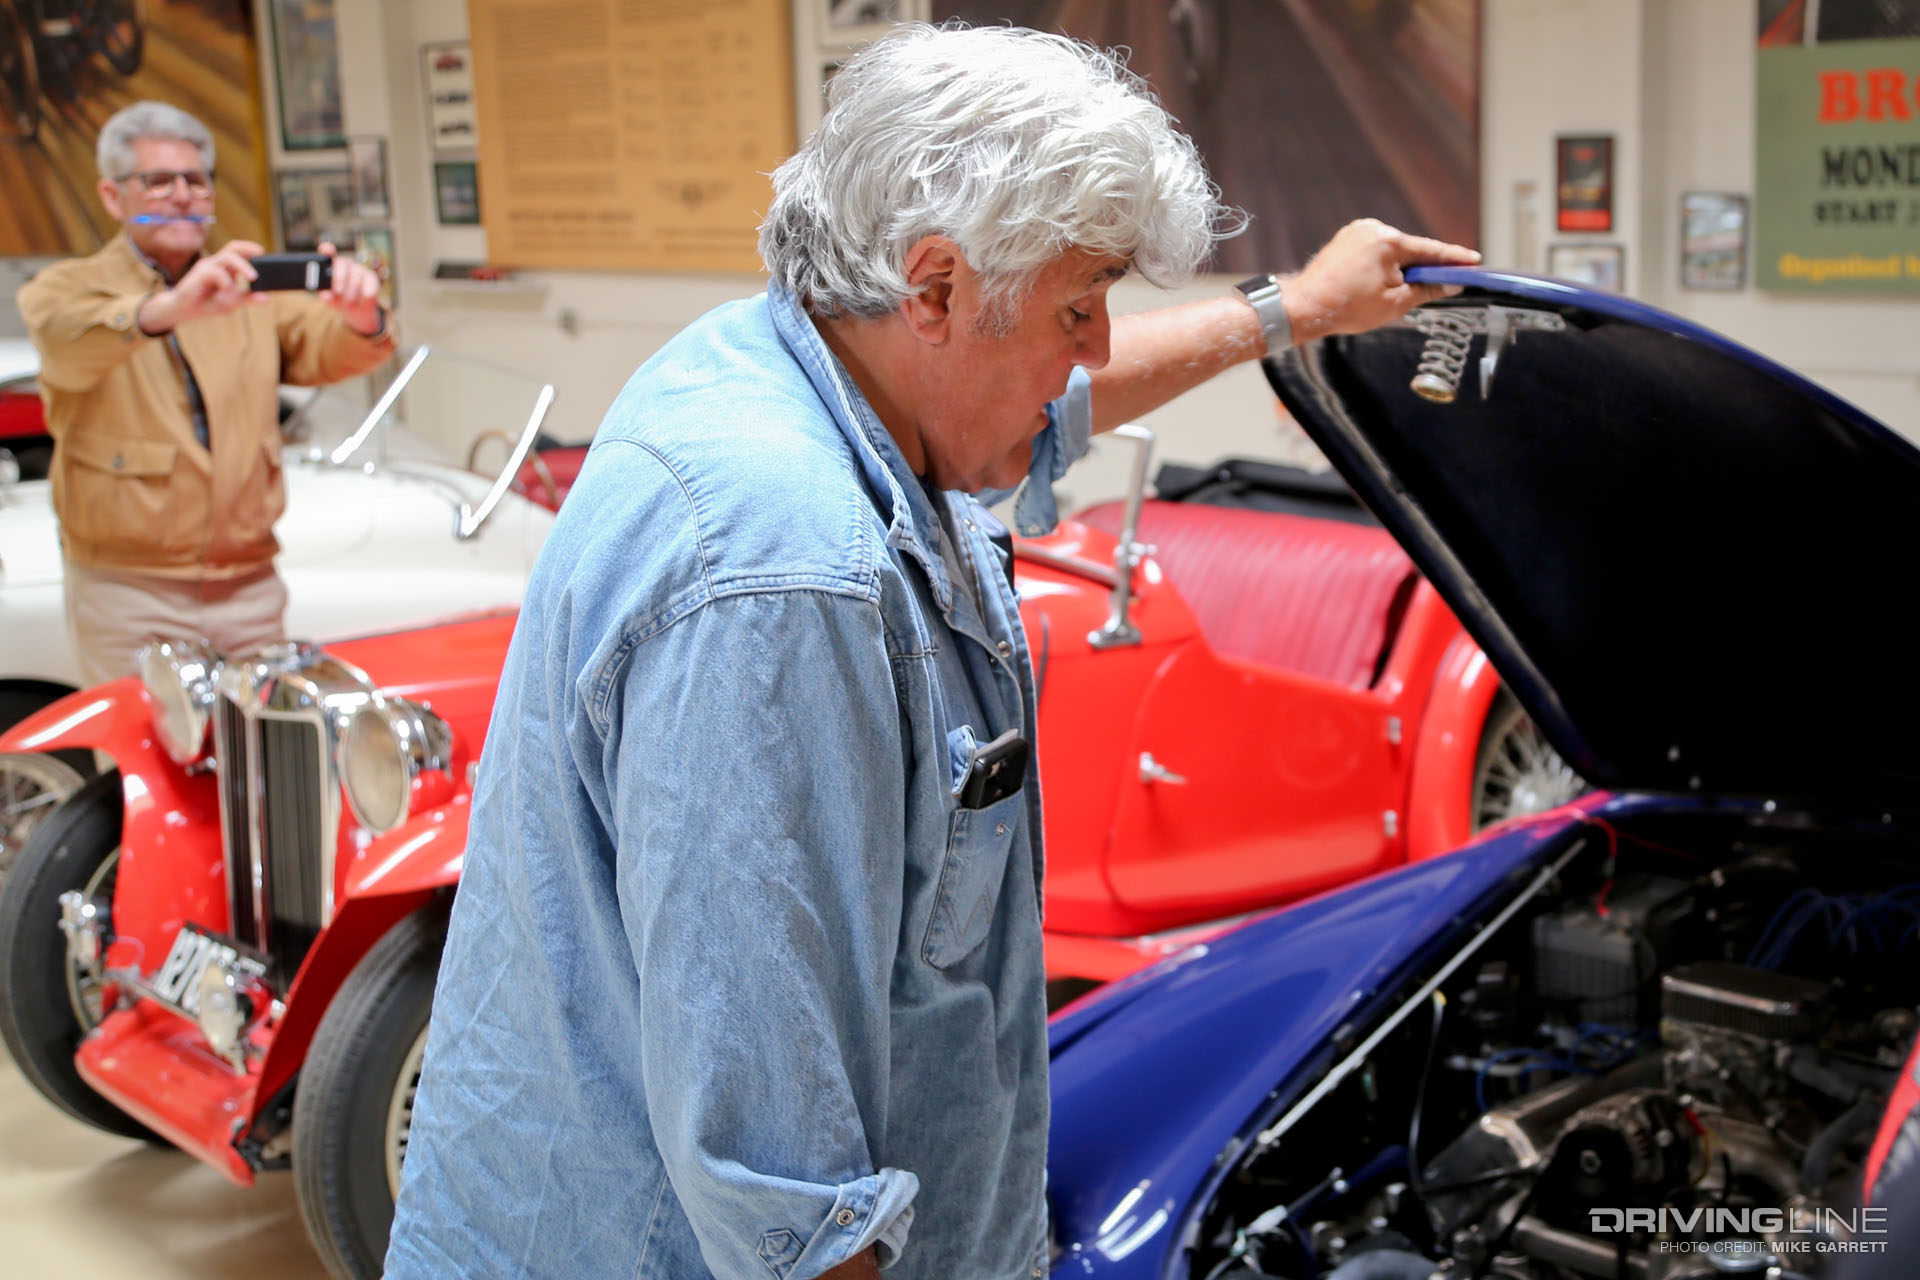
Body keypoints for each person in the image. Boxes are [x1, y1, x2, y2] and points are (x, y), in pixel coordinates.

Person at [385, 23, 1477, 1280]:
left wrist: (1301, 309)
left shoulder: (798, 366)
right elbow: (784, 1198)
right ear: (939, 285)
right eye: (1082, 305)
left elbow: (1053, 401)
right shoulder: (785, 578)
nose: (1098, 346)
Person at [16, 100, 394, 686]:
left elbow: (326, 346)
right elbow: (67, 340)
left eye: (196, 180)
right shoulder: (67, 289)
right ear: (115, 197)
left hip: (248, 587)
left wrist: (361, 314)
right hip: (128, 593)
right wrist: (171, 308)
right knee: (140, 766)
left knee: (263, 765)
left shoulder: (245, 288)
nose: (183, 195)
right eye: (158, 181)